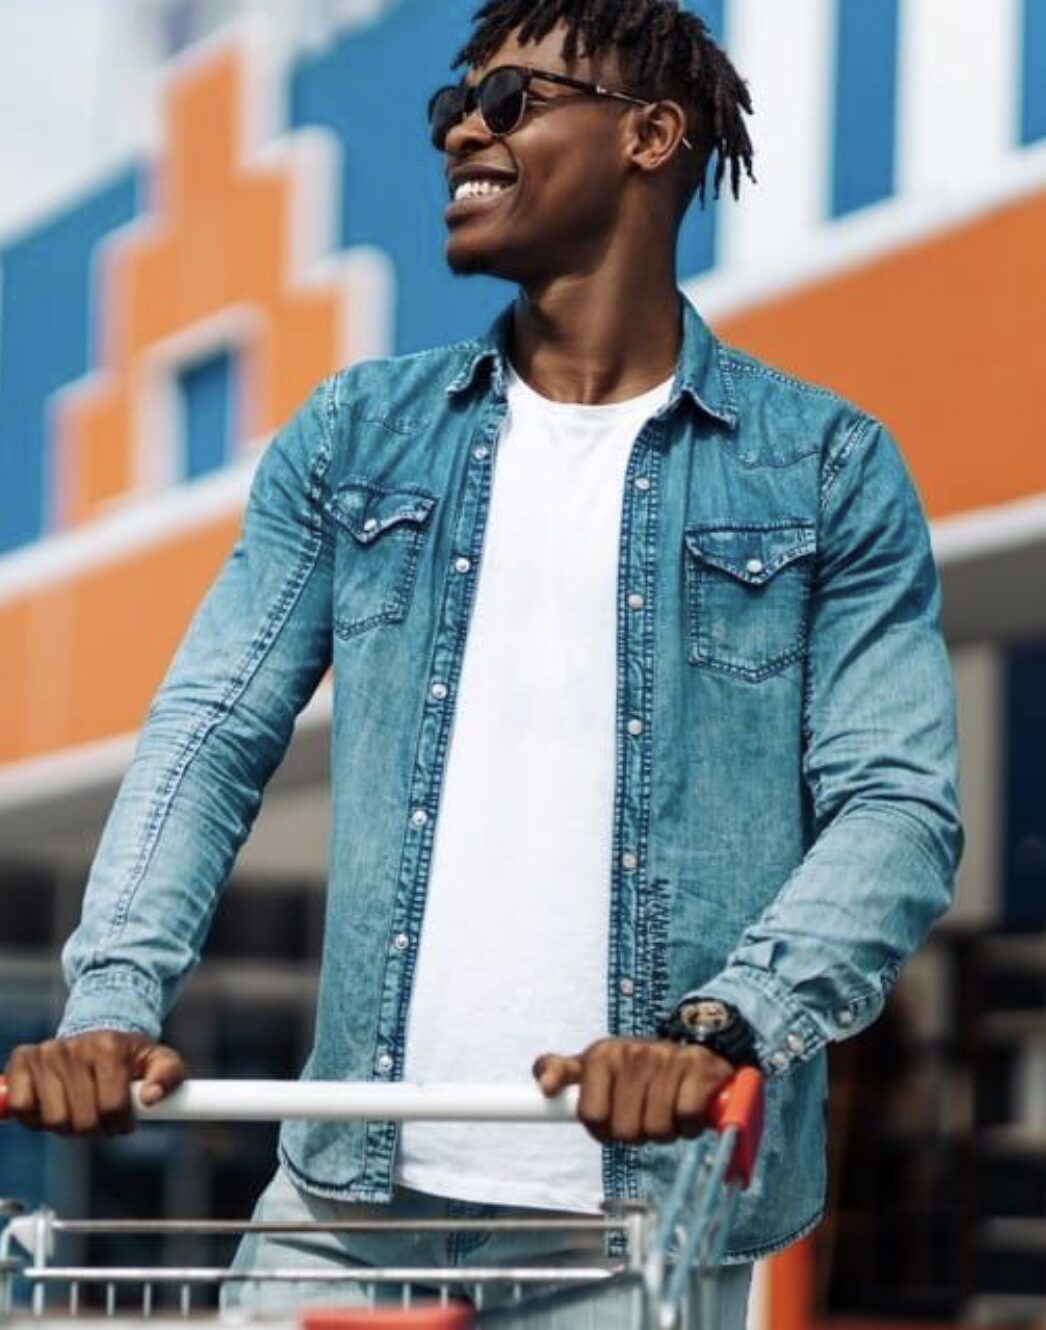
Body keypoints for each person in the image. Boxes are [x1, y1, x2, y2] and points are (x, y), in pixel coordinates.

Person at [2, 2, 964, 1327]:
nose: (462, 128)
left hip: (637, 1234)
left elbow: (896, 808)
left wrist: (720, 1025)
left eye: (511, 100)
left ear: (650, 136)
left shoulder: (822, 469)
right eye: (453, 104)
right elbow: (208, 737)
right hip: (343, 1210)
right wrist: (109, 1002)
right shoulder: (358, 436)